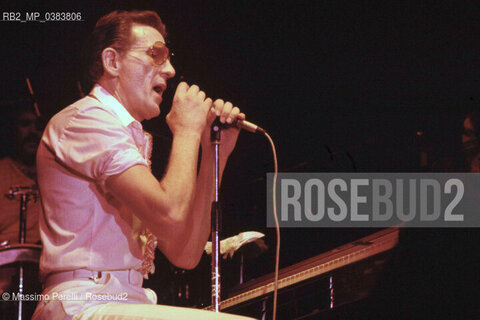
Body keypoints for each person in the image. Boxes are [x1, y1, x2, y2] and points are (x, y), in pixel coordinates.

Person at [32, 10, 253, 320]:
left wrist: (215, 152)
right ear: (112, 62)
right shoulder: (86, 120)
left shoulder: (129, 135)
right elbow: (170, 214)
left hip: (126, 301)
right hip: (83, 303)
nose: (171, 70)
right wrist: (188, 132)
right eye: (156, 55)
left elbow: (185, 253)